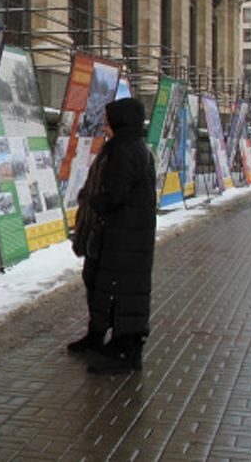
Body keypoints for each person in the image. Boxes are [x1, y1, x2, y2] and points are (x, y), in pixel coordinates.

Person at [68, 98, 156, 375]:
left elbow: (116, 194)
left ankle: (126, 351)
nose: (104, 126)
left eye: (108, 121)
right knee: (102, 283)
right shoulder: (127, 147)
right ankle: (98, 335)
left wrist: (93, 202)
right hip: (123, 235)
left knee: (123, 290)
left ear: (120, 122)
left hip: (124, 236)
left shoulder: (124, 150)